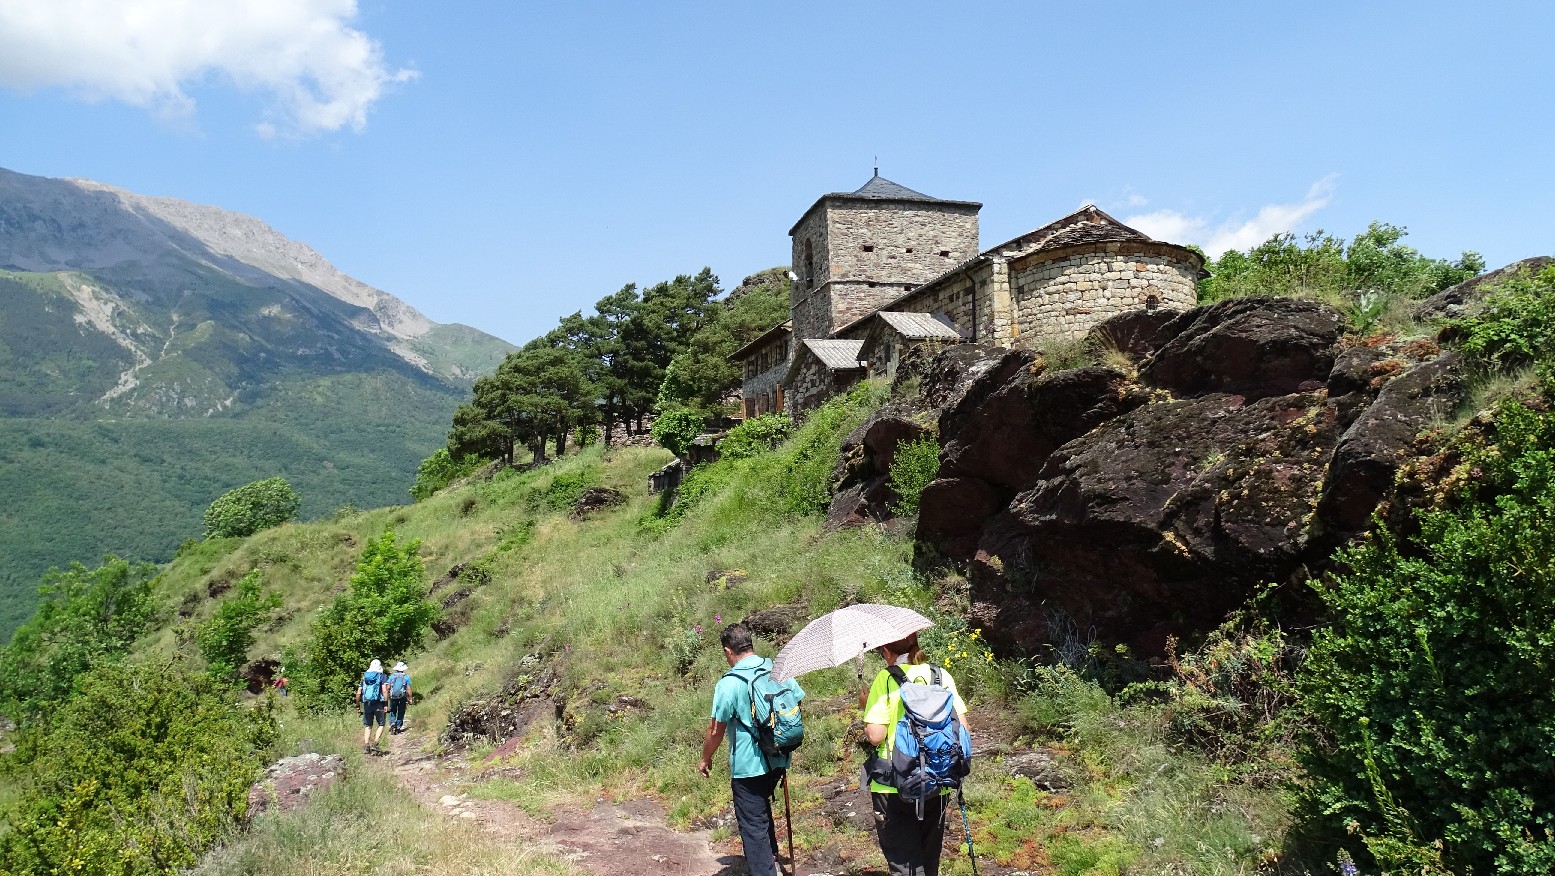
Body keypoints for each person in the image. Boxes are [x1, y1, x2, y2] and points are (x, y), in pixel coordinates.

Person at [698, 623, 805, 876]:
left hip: (748, 766)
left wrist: (705, 758)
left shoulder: (729, 683)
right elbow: (796, 703)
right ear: (750, 644)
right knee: (761, 809)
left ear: (728, 651)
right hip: (779, 756)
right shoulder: (777, 668)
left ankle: (764, 869)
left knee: (753, 823)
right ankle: (772, 859)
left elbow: (716, 730)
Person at [862, 632, 969, 876]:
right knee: (929, 861)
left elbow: (876, 735)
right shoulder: (940, 675)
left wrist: (866, 706)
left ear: (886, 651)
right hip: (937, 780)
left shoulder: (885, 679)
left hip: (894, 783)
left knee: (904, 863)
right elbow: (963, 727)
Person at [356, 658, 390, 753]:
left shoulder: (364, 677)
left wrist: (358, 706)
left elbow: (358, 692)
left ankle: (366, 745)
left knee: (368, 725)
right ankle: (375, 743)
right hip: (379, 703)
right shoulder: (382, 676)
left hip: (367, 703)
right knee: (381, 723)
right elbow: (384, 691)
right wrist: (386, 704)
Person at [387, 661, 413, 733]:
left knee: (393, 710)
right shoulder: (406, 677)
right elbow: (408, 689)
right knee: (401, 711)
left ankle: (392, 722)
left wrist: (388, 695)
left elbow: (388, 687)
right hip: (402, 697)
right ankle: (398, 726)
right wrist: (410, 698)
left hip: (393, 696)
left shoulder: (392, 676)